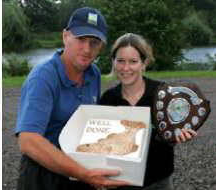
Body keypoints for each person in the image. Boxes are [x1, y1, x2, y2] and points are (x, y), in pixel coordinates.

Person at [14, 7, 130, 190]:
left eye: (94, 42)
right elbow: (28, 141)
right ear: (65, 36)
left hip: (80, 169)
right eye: (81, 39)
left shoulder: (94, 74)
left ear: (101, 46)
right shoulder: (43, 77)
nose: (87, 49)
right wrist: (83, 173)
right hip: (43, 173)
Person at [99, 33, 198, 190]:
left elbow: (170, 137)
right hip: (120, 183)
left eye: (133, 61)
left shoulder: (163, 94)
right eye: (120, 61)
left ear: (144, 63)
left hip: (158, 182)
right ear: (113, 62)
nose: (126, 68)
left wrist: (180, 135)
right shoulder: (108, 99)